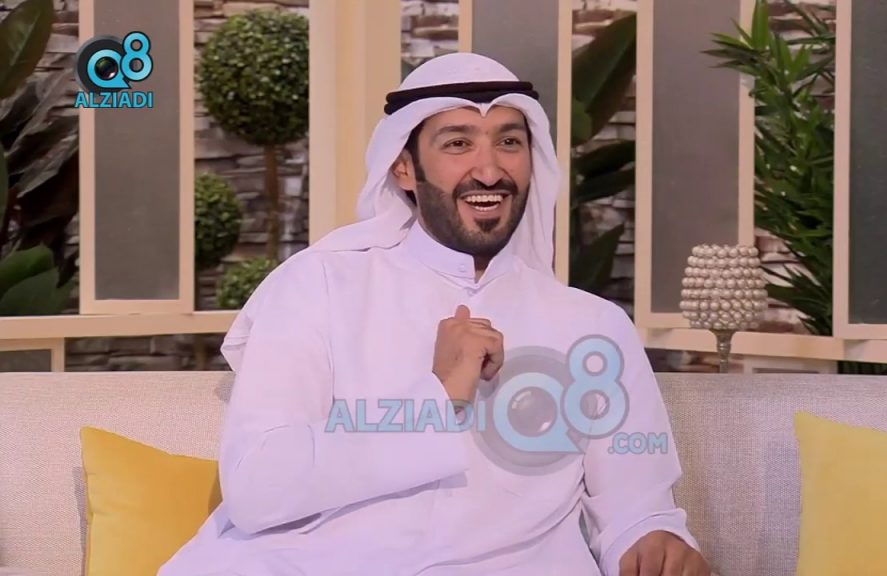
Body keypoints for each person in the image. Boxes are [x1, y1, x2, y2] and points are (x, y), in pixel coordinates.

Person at [159, 52, 710, 576]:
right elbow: (257, 489)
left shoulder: (593, 325)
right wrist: (440, 397)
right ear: (404, 168)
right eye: (458, 143)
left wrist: (654, 540)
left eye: (509, 142)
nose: (489, 170)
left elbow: (637, 506)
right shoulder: (317, 286)